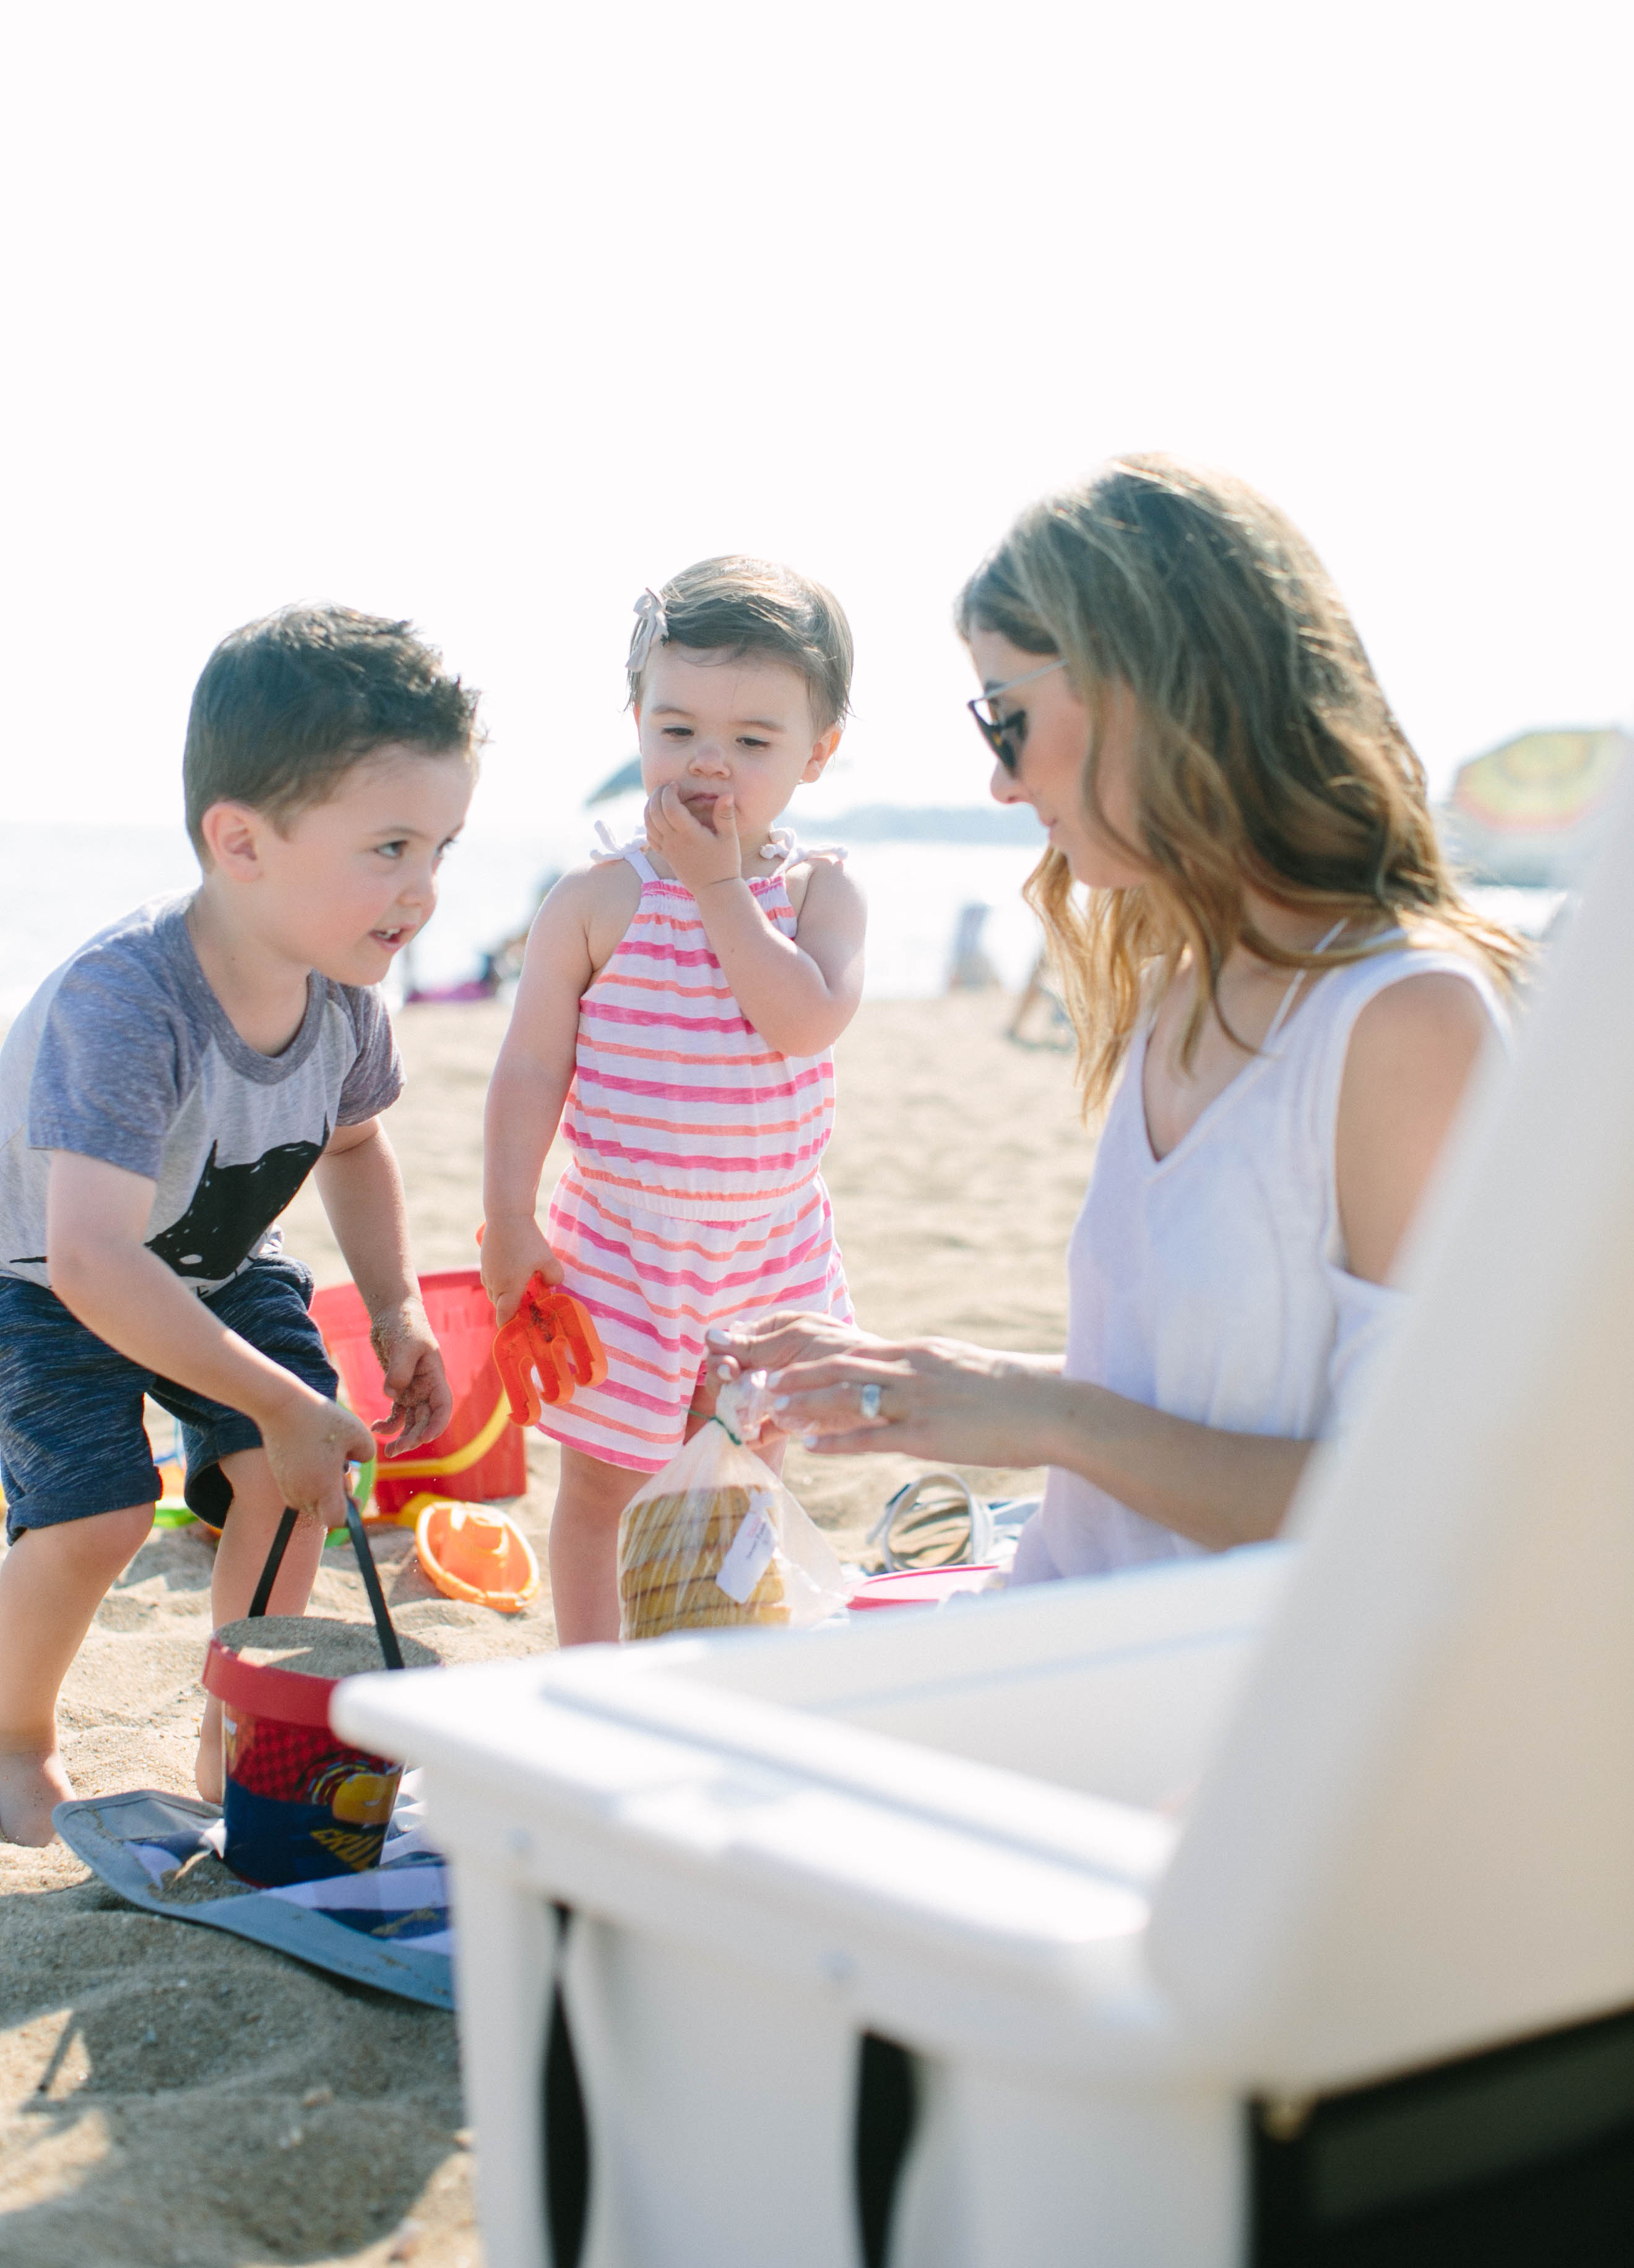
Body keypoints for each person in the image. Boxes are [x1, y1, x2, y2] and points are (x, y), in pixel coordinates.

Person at [710, 457, 1522, 1581]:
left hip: (1178, 1707)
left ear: (1145, 687)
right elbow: (1191, 1395)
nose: (1000, 782)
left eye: (1007, 720)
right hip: (1057, 1630)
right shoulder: (1182, 985)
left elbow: (1418, 1509)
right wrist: (929, 1381)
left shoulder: (1406, 1025)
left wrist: (1045, 1415)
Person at [0, 606, 476, 1844]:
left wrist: (396, 1310)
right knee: (99, 1512)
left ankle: (239, 1734)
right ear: (241, 841)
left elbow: (357, 1147)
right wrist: (279, 1394)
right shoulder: (130, 1002)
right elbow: (93, 1259)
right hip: (48, 1269)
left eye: (441, 848)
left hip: (218, 1257)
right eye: (387, 848)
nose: (423, 892)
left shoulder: (345, 997)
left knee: (291, 1473)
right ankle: (12, 1735)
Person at [482, 561, 865, 1642]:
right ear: (637, 723)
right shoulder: (596, 898)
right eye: (677, 728)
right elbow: (527, 1071)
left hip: (772, 1243)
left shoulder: (818, 894)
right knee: (602, 1484)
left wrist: (719, 887)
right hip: (621, 1240)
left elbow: (803, 1019)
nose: (708, 763)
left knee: (744, 1465)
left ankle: (722, 1657)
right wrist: (510, 1220)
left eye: (753, 741)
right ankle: (596, 1683)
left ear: (816, 753)